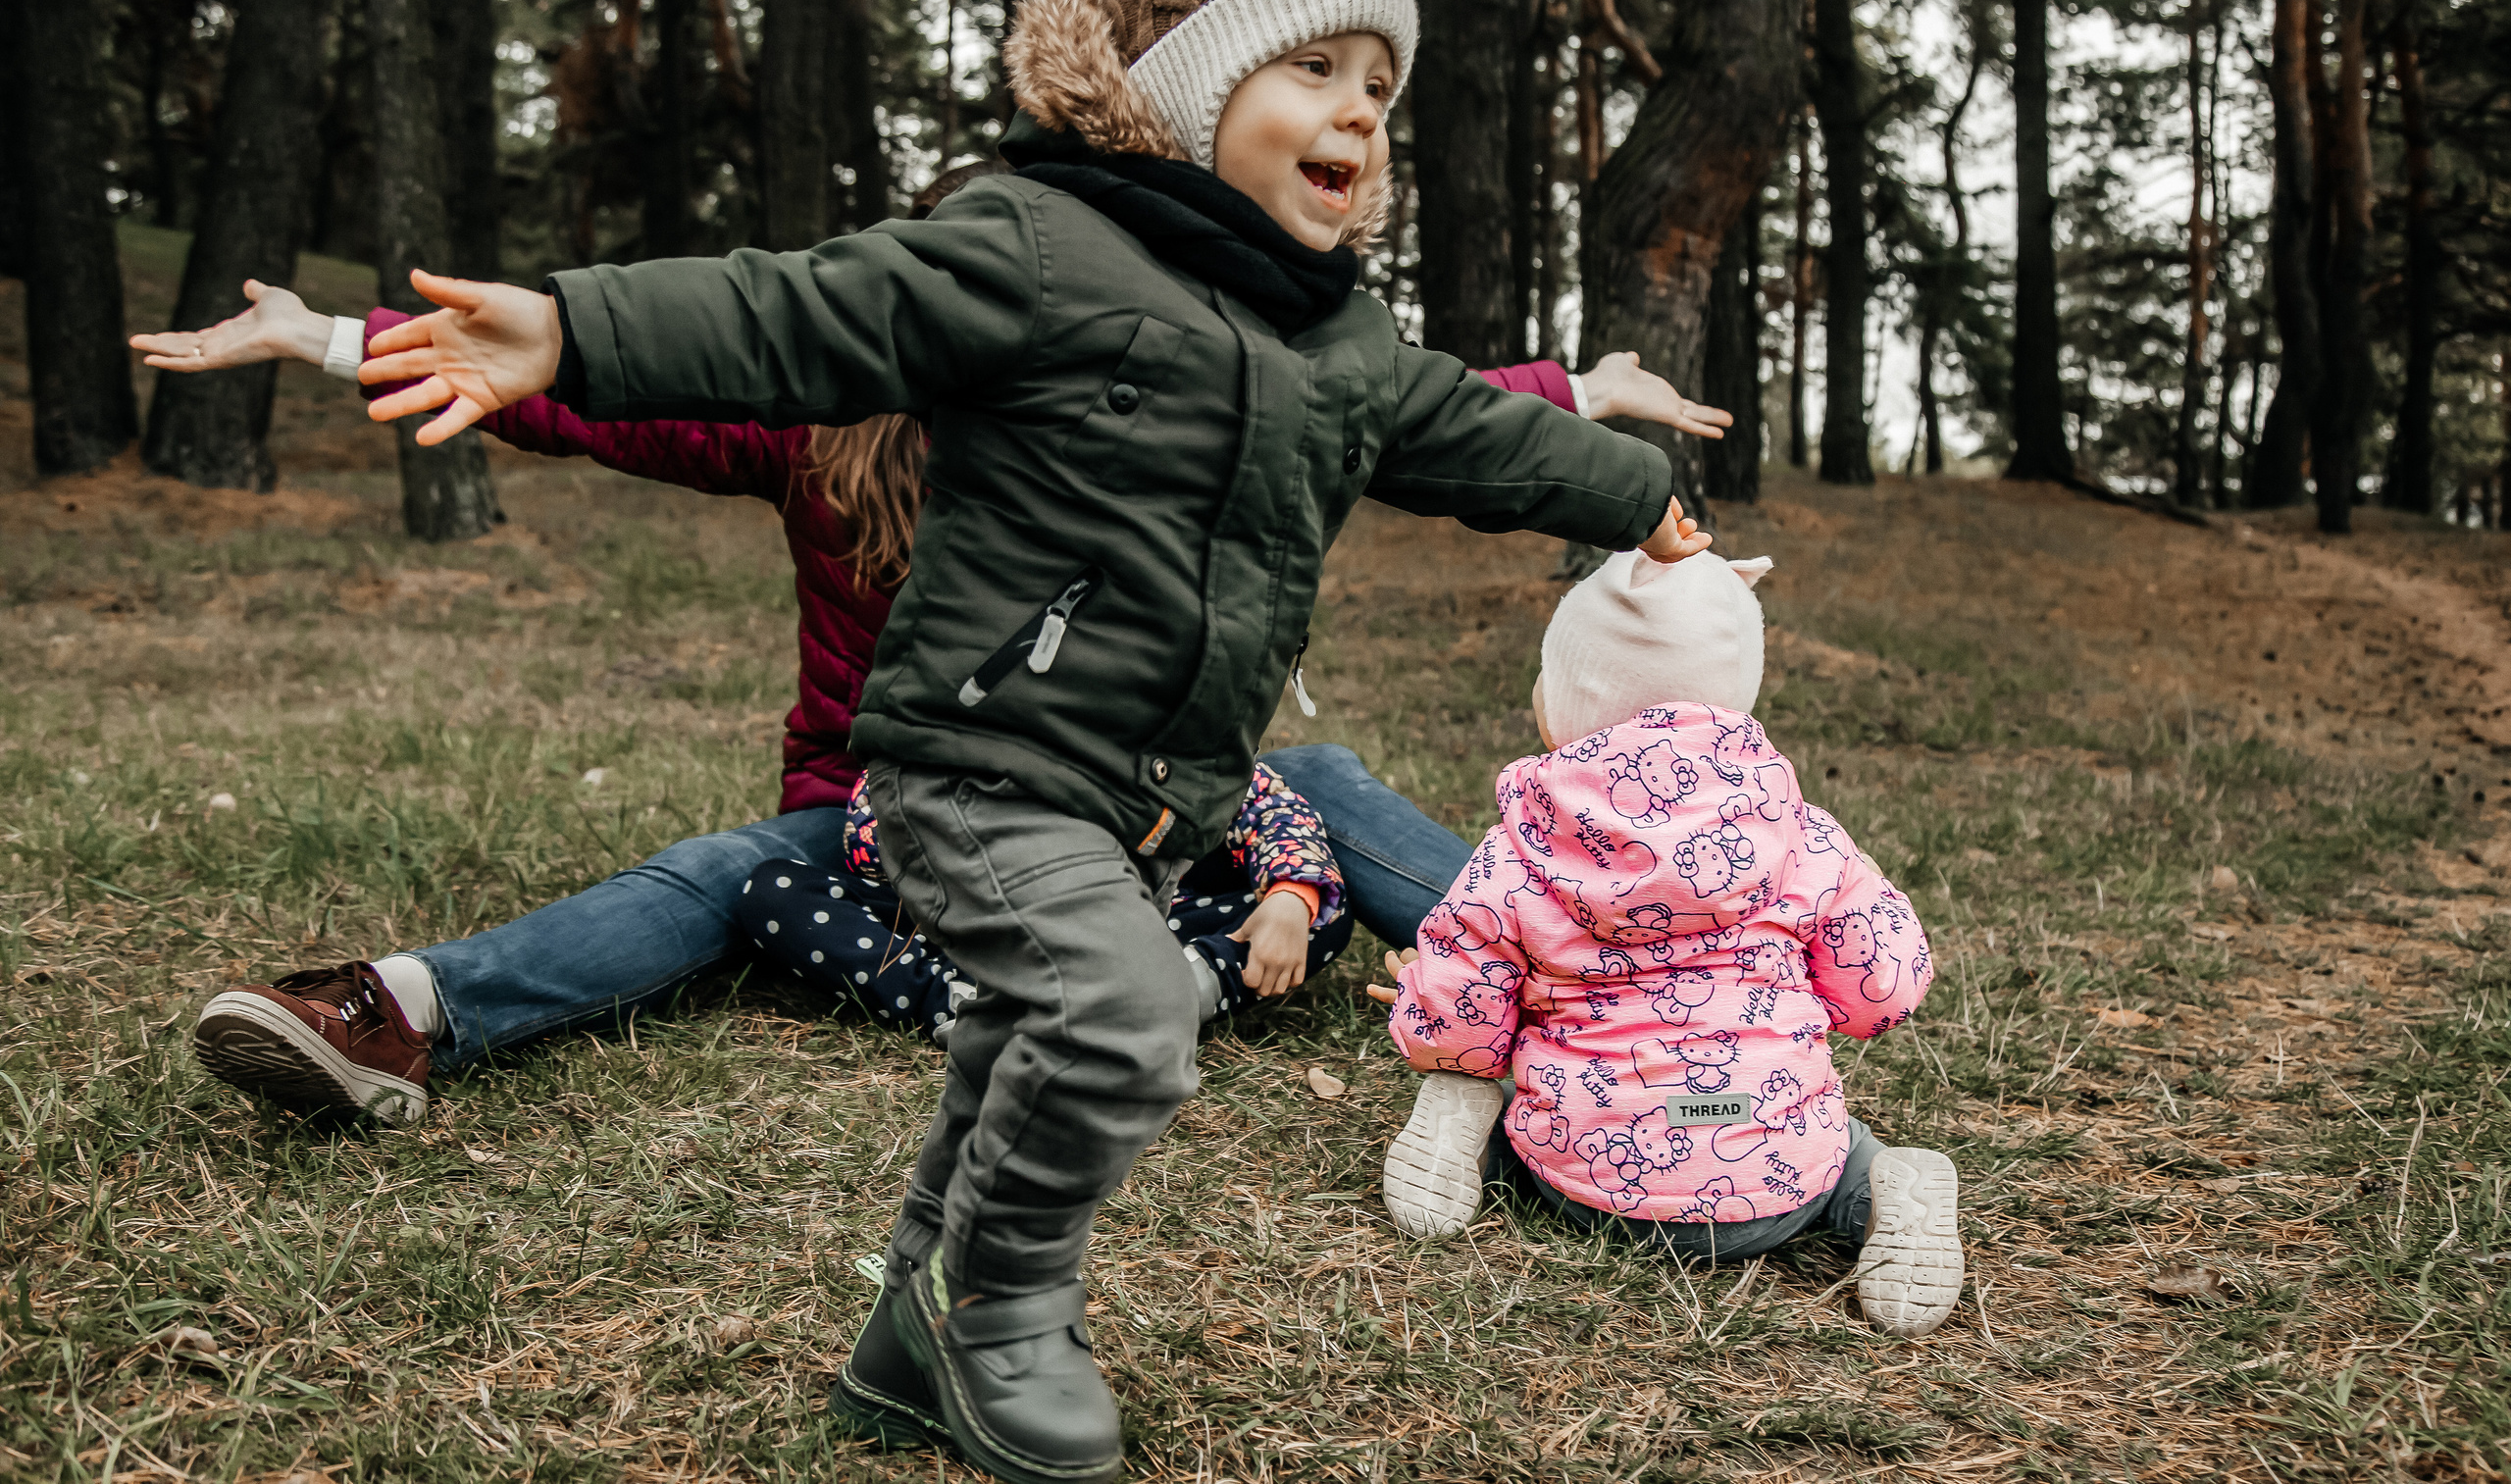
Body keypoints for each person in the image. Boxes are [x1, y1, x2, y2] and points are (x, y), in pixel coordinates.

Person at [335, 0, 1716, 1478]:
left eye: (1380, 85)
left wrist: (1637, 493)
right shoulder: (1040, 245)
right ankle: (992, 1308)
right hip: (974, 763)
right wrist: (573, 325)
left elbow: (1480, 438)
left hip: (1149, 798)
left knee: (1014, 1049)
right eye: (1316, 69)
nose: (1360, 108)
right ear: (1195, 90)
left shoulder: (1338, 344)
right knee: (1129, 1014)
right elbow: (801, 311)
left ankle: (905, 1336)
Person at [129, 200, 1719, 1129]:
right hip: (889, 827)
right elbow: (576, 388)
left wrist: (1567, 392)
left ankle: (1624, 992)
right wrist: (326, 339)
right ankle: (401, 1012)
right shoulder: (812, 434)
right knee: (727, 869)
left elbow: (1340, 407)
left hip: (1114, 815)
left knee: (1320, 784)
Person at [1371, 549, 1964, 1340]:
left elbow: (1460, 1016)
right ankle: (1887, 1187)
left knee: (1519, 1110)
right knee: (1844, 1160)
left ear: (1558, 714)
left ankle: (1469, 1131)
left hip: (1582, 1180)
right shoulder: (1804, 836)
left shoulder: (1520, 848)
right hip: (1777, 1182)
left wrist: (1428, 1018)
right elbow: (1883, 990)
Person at [736, 761, 1348, 1039]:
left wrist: (1291, 898)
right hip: (967, 935)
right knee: (776, 890)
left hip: (1137, 933)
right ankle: (956, 1006)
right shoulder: (953, 730)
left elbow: (1267, 805)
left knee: (1317, 914)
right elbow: (873, 825)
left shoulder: (1168, 746)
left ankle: (1174, 996)